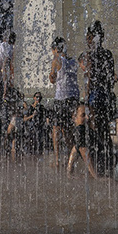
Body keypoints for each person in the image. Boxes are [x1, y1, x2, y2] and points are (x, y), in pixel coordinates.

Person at [79, 21, 117, 175]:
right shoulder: (108, 54)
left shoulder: (89, 55)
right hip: (106, 96)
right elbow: (111, 78)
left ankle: (98, 166)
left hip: (95, 97)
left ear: (91, 38)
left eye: (88, 37)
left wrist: (86, 99)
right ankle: (109, 163)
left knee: (94, 131)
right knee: (105, 131)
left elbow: (89, 78)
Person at [49, 36, 80, 167]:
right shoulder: (73, 61)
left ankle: (57, 160)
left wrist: (51, 74)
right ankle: (70, 158)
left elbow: (52, 79)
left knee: (56, 129)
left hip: (61, 98)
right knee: (68, 130)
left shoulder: (56, 59)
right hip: (73, 99)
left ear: (56, 49)